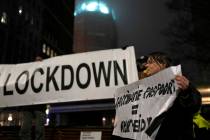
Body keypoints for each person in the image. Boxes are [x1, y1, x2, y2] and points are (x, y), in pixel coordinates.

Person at [138, 52, 202, 140]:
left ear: (163, 64)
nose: (146, 65)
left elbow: (194, 105)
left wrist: (187, 91)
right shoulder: (146, 88)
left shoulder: (178, 82)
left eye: (150, 62)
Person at [19, 54, 47, 140]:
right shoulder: (28, 71)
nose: (37, 62)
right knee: (25, 128)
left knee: (39, 129)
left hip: (40, 104)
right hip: (27, 103)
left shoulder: (46, 72)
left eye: (40, 60)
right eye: (36, 60)